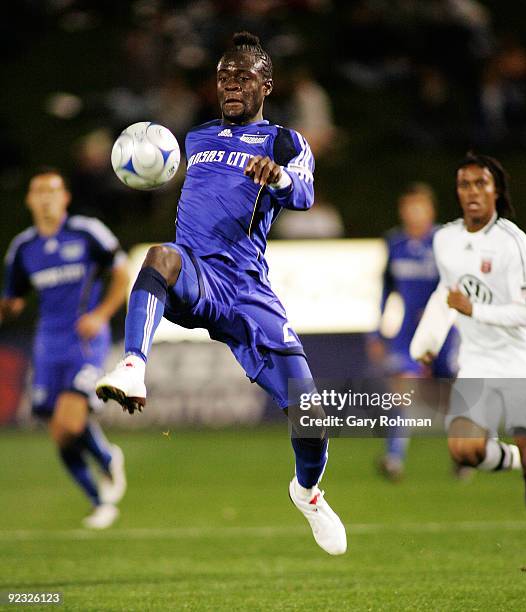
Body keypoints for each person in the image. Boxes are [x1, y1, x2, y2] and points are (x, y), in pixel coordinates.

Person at [96, 32, 347, 555]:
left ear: (266, 85)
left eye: (243, 76)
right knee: (159, 255)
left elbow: (304, 192)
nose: (232, 84)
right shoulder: (195, 137)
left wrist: (276, 177)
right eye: (224, 77)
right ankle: (133, 364)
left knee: (311, 418)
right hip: (195, 273)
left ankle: (307, 493)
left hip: (247, 291)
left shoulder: (283, 142)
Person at [1, 168, 129, 529]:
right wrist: (8, 307)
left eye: (53, 191)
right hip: (47, 344)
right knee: (59, 433)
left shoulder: (87, 232)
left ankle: (105, 458)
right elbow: (13, 299)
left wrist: (101, 314)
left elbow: (123, 273)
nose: (45, 198)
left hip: (85, 338)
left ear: (65, 198)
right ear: (29, 200)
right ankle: (99, 499)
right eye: (38, 191)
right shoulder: (23, 248)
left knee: (69, 422)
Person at [413, 152, 526, 514]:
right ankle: (519, 460)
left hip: (521, 361)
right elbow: (446, 292)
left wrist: (475, 309)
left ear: (496, 190)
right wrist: (429, 338)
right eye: (464, 184)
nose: (472, 191)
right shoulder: (445, 239)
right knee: (464, 450)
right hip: (478, 361)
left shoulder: (511, 242)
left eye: (481, 183)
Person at [371, 183, 458, 480]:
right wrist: (379, 329)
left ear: (430, 210)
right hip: (408, 331)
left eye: (419, 206)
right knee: (402, 392)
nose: (413, 213)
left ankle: (464, 453)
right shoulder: (395, 243)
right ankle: (394, 458)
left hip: (443, 330)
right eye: (409, 207)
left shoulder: (444, 241)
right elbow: (387, 288)